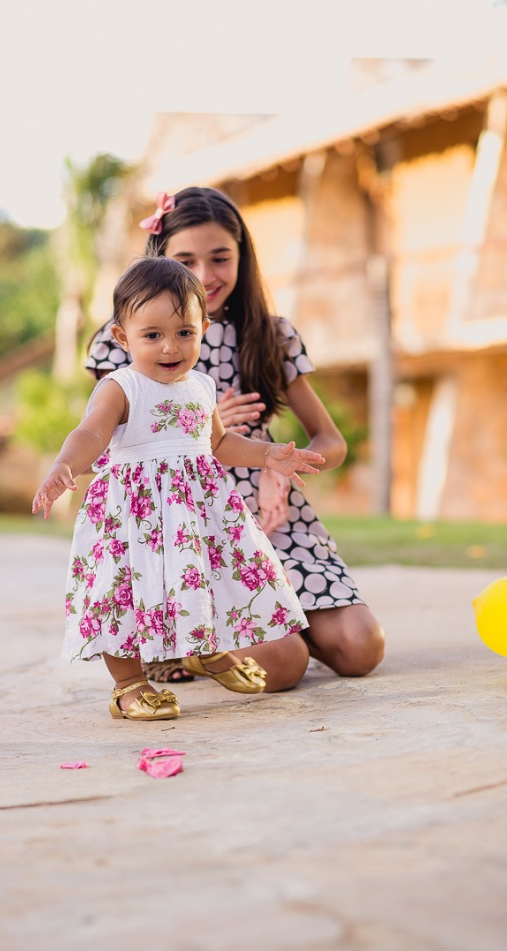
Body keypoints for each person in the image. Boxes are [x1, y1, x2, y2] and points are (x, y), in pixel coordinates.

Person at [85, 187, 386, 688]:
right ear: (163, 261)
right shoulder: (125, 337)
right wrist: (197, 423)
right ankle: (209, 635)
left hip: (274, 518)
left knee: (362, 648)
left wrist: (279, 466)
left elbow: (330, 441)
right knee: (282, 667)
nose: (206, 275)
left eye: (221, 258)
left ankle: (267, 622)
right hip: (186, 521)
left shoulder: (272, 334)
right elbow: (112, 442)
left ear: (242, 257)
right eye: (186, 260)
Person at [32, 256, 324, 722]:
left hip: (195, 515)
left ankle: (205, 650)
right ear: (123, 338)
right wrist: (65, 465)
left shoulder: (201, 387)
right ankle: (128, 685)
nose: (170, 347)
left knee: (205, 580)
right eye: (152, 336)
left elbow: (220, 443)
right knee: (124, 594)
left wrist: (269, 455)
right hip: (135, 518)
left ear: (203, 328)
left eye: (184, 332)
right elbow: (90, 434)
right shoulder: (121, 387)